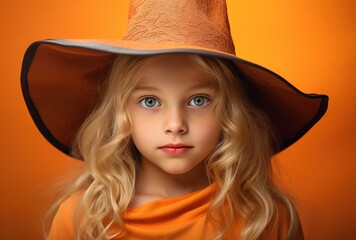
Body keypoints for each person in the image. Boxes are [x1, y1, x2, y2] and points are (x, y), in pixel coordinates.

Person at [21, 0, 328, 239]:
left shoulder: (266, 218)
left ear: (230, 113)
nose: (175, 124)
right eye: (150, 101)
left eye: (198, 100)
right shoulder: (81, 217)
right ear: (120, 113)